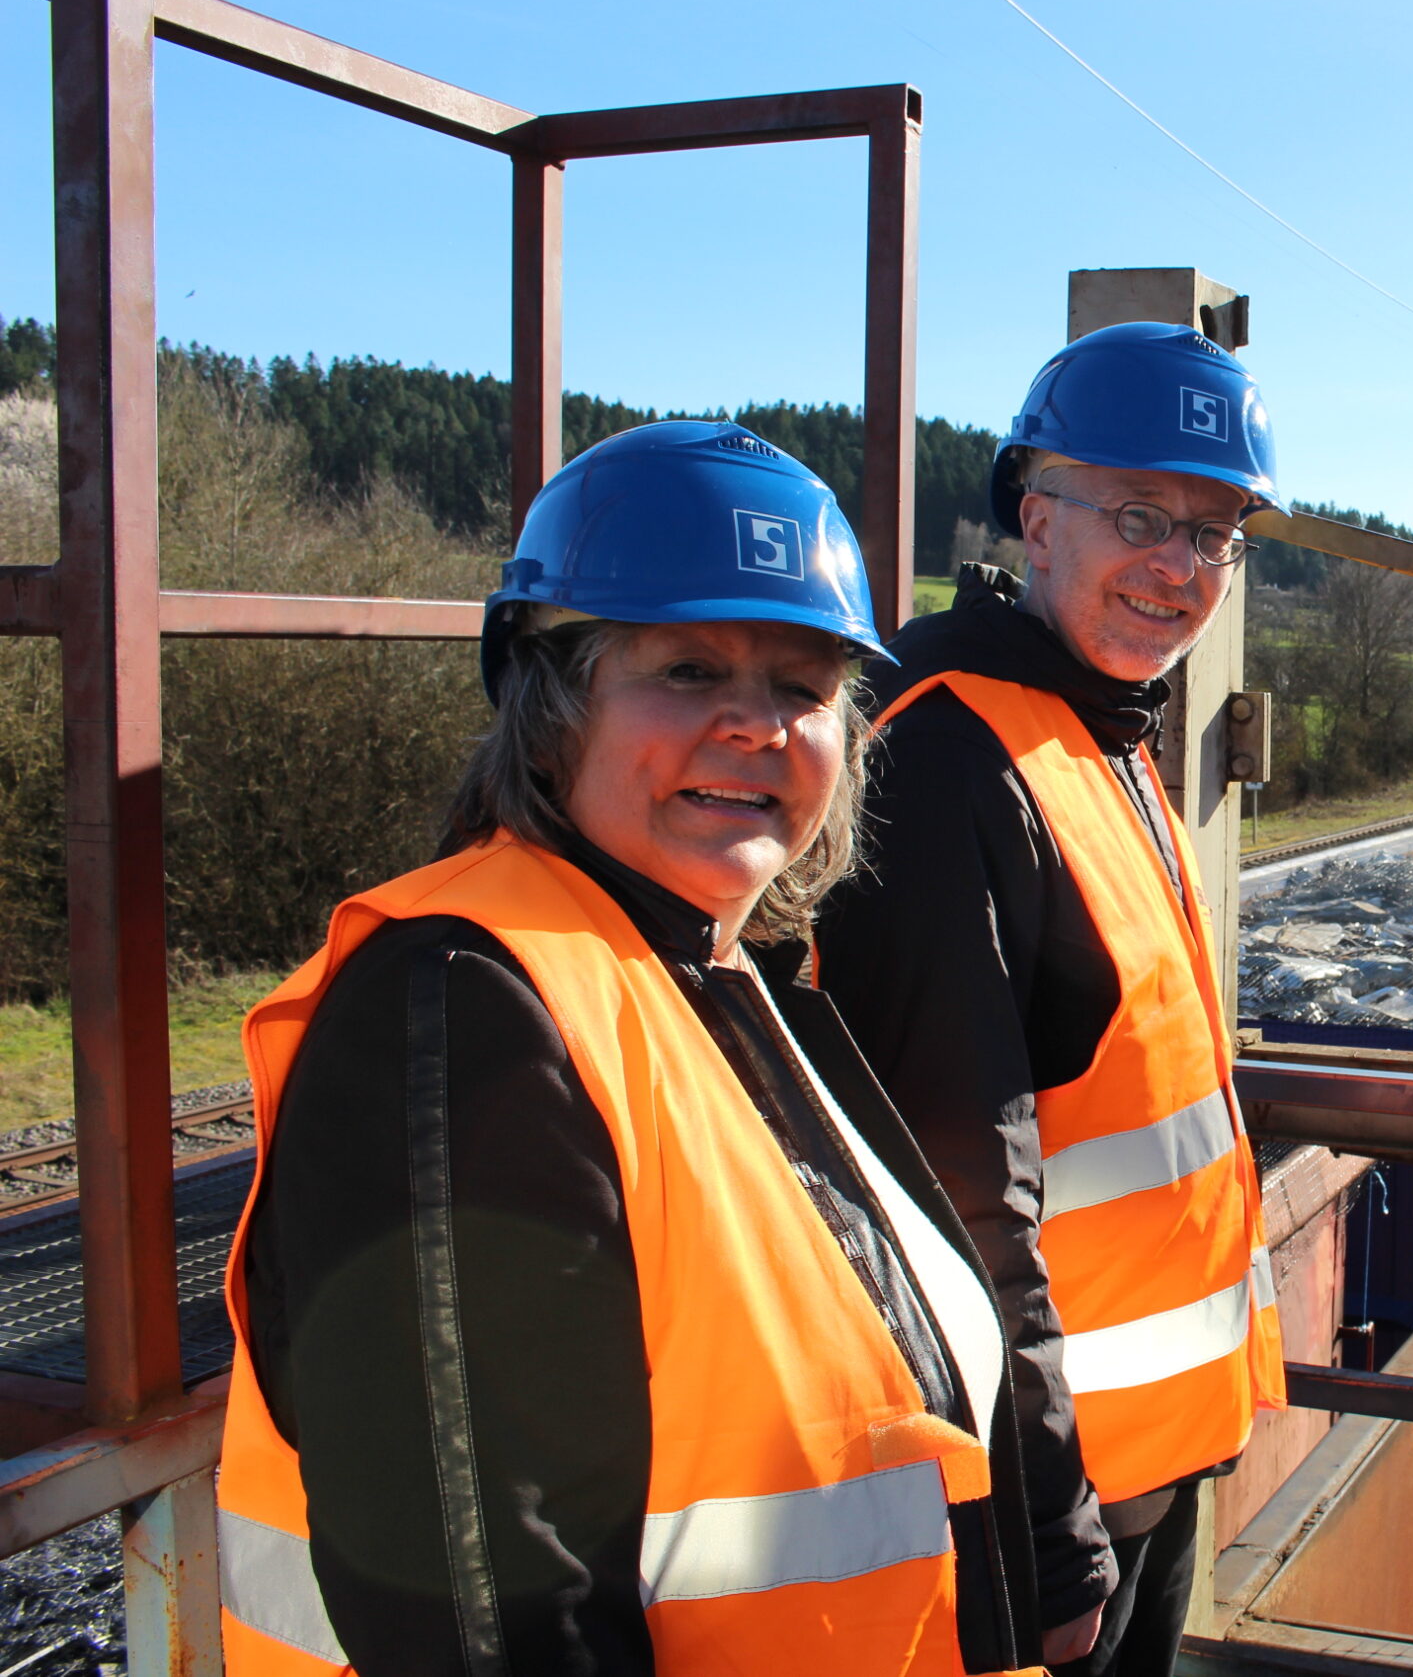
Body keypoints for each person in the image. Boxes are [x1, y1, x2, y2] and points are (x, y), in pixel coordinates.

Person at [217, 421, 1043, 1675]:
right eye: (688, 670)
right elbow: (487, 1610)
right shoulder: (463, 1007)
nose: (756, 727)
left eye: (802, 686)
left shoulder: (716, 977)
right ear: (551, 704)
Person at [815, 322, 1288, 1677]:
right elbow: (959, 1195)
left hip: (1150, 1461)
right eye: (1143, 514)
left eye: (1216, 533)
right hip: (1048, 1506)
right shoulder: (953, 758)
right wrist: (1039, 1521)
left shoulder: (1096, 728)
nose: (1181, 565)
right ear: (1036, 516)